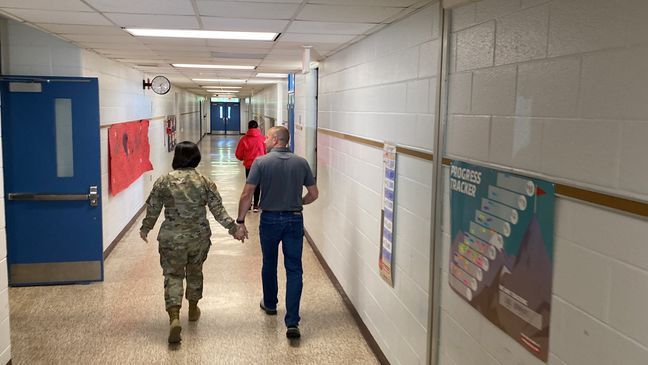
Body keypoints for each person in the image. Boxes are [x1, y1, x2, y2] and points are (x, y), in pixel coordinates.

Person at [140, 141, 245, 344]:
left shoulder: (163, 181)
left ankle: (174, 317)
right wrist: (234, 229)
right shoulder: (204, 182)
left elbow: (153, 208)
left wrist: (146, 228)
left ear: (176, 158)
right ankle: (193, 308)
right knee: (195, 271)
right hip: (198, 238)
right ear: (196, 158)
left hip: (171, 238)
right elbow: (218, 211)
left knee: (172, 275)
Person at [236, 126, 318, 339]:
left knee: (269, 263)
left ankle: (270, 304)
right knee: (294, 269)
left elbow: (247, 194)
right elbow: (314, 194)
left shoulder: (261, 162)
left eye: (267, 138)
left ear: (275, 139)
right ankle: (292, 322)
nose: (263, 141)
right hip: (294, 219)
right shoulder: (301, 163)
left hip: (270, 219)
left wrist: (241, 220)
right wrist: (298, 202)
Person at [235, 120, 266, 212]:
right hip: (260, 165)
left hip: (249, 165)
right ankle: (256, 205)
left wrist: (243, 158)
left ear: (248, 128)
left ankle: (248, 204)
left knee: (250, 184)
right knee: (258, 185)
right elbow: (266, 151)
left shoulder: (244, 139)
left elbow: (239, 154)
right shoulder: (263, 139)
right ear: (257, 128)